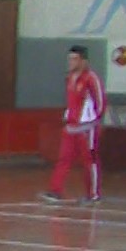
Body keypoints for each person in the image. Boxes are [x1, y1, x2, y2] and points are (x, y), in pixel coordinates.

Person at [41, 46, 105, 204]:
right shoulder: (69, 78)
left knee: (89, 160)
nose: (70, 62)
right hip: (71, 126)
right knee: (63, 159)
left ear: (84, 61)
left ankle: (93, 194)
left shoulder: (91, 78)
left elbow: (101, 102)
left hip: (86, 128)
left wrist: (92, 120)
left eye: (74, 59)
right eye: (69, 59)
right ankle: (55, 190)